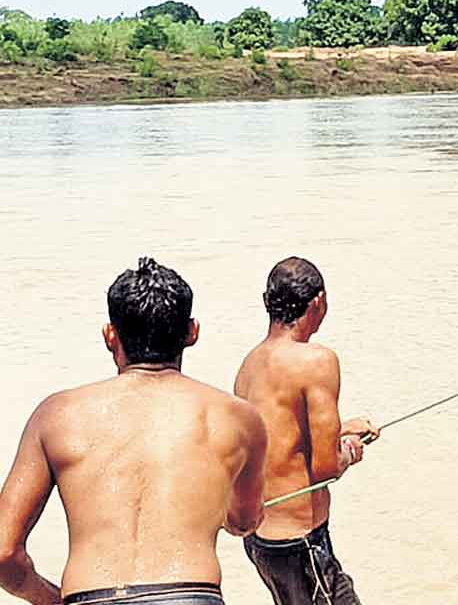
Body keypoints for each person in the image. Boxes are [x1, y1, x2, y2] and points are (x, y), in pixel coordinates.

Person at [0, 257, 268, 605]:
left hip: (91, 597)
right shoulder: (239, 418)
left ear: (110, 335)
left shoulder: (56, 415)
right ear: (192, 332)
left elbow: (3, 552)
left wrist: (51, 599)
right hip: (190, 596)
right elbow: (245, 520)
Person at [234, 257, 380, 605]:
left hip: (261, 542)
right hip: (302, 543)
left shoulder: (250, 364)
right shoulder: (316, 361)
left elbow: (280, 439)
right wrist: (349, 451)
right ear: (318, 302)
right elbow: (325, 469)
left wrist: (343, 429)